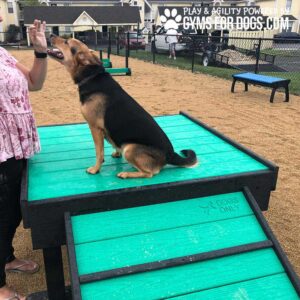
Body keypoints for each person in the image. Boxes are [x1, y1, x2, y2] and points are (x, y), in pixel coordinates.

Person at [0, 15, 48, 300]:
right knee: (2, 215)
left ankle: (6, 258)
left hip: (16, 146)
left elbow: (34, 82)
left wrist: (40, 50)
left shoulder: (2, 53)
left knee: (11, 212)